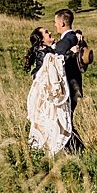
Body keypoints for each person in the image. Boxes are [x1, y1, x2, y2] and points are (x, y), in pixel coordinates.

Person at [25, 24, 76, 155]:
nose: (50, 33)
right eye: (46, 33)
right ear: (42, 40)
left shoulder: (46, 51)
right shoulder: (43, 53)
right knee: (51, 120)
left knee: (50, 121)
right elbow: (54, 64)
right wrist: (72, 53)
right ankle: (57, 151)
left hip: (46, 95)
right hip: (47, 96)